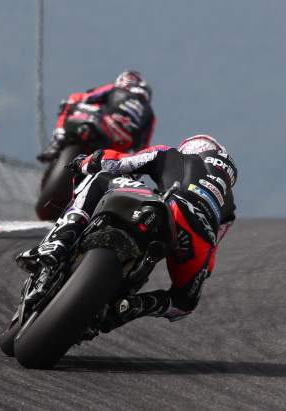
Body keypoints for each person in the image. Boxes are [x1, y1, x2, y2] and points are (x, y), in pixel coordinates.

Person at [17, 134, 237, 330]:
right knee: (183, 303)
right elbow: (209, 260)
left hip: (170, 207)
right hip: (199, 238)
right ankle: (132, 306)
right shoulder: (228, 207)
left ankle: (59, 241)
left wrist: (86, 162)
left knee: (100, 177)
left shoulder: (173, 155)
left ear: (192, 149)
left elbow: (120, 162)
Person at [36, 70, 155, 163]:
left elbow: (88, 98)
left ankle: (58, 139)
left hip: (103, 122)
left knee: (73, 99)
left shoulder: (114, 88)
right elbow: (143, 146)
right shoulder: (150, 113)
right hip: (121, 143)